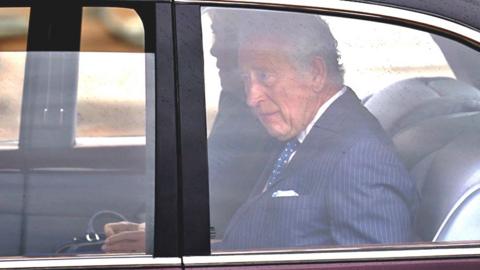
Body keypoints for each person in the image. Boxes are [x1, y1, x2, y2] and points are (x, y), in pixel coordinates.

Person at [103, 10, 418, 253]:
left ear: (316, 73)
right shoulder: (303, 134)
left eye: (265, 75)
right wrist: (169, 244)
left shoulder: (360, 159)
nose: (252, 97)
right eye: (246, 79)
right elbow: (259, 244)